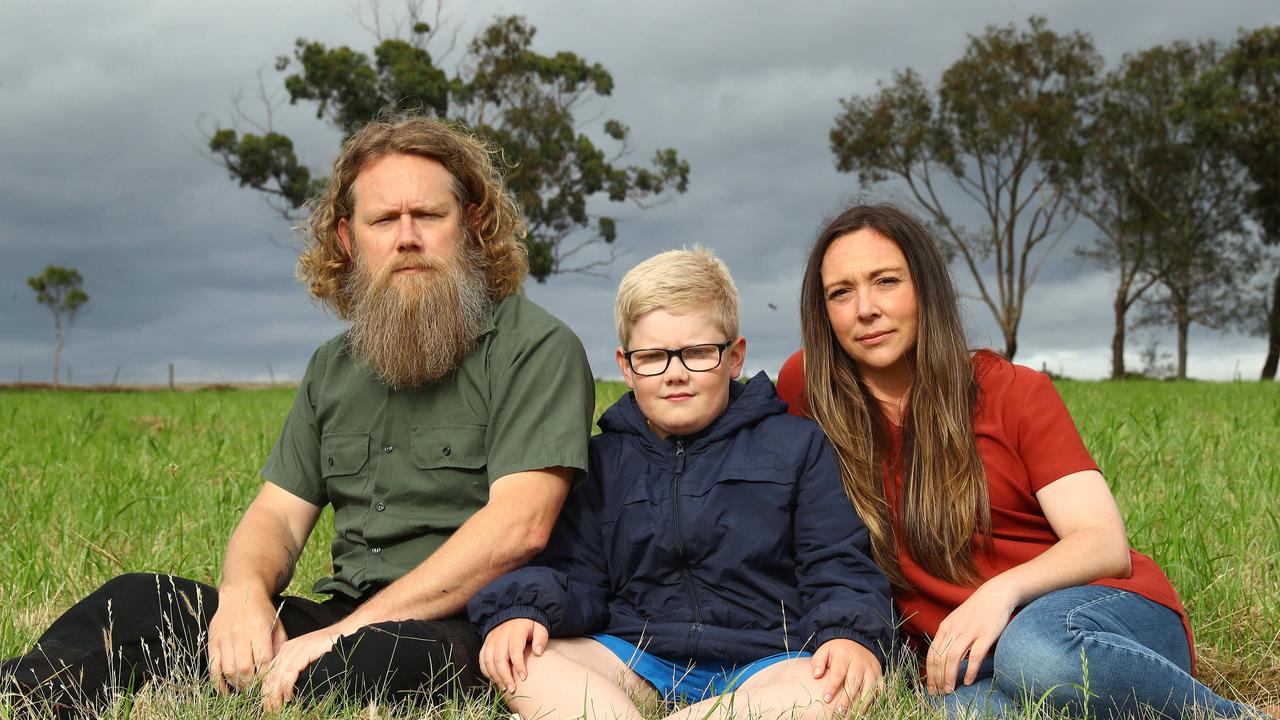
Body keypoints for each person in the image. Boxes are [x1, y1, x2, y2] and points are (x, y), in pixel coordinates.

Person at [0, 117, 595, 715]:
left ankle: (219, 681)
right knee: (135, 602)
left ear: (469, 224)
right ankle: (26, 690)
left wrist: (344, 633)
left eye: (429, 216)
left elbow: (518, 529)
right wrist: (243, 597)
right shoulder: (334, 366)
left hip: (475, 625)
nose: (407, 237)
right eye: (384, 220)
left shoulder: (535, 347)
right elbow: (278, 517)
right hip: (344, 615)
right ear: (348, 238)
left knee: (357, 664)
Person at [776, 203, 1266, 719]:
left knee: (1033, 653)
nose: (865, 309)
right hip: (970, 664)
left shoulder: (1012, 391)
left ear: (925, 288)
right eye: (841, 292)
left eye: (887, 281)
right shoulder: (809, 390)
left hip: (1096, 621)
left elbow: (1104, 541)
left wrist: (1000, 593)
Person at [467, 248, 894, 720]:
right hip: (636, 658)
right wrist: (526, 607)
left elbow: (836, 560)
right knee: (524, 660)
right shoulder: (604, 460)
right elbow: (575, 573)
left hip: (768, 661)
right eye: (651, 356)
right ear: (626, 367)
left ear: (735, 357)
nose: (675, 373)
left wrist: (849, 635)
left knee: (834, 687)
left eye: (697, 352)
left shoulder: (797, 446)